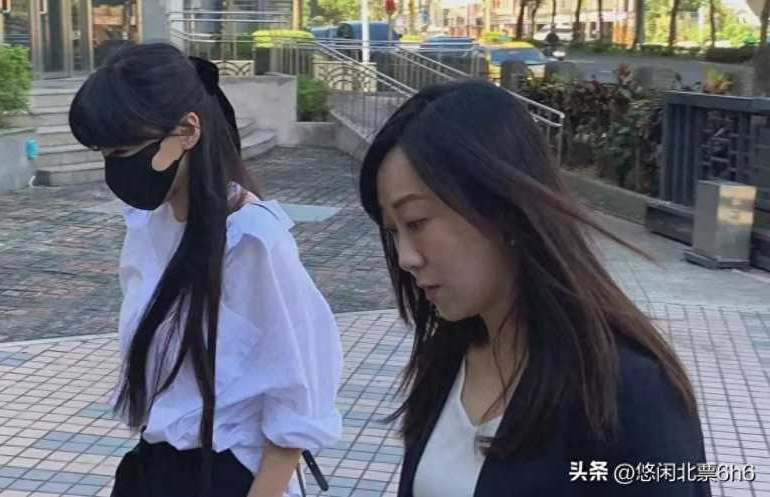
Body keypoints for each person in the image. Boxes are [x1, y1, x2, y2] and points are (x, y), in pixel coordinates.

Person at [358, 79, 711, 497]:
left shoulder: (630, 392)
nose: (406, 257)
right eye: (393, 231)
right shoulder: (447, 353)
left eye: (416, 222)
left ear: (501, 204)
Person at [69, 42, 343, 497]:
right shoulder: (147, 226)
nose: (115, 171)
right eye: (104, 155)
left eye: (123, 152)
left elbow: (299, 396)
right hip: (153, 467)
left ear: (187, 131)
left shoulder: (252, 239)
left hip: (225, 475)